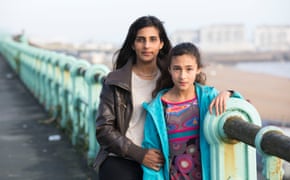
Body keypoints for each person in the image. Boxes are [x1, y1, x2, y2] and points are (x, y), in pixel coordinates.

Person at [94, 15, 238, 179]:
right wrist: (139, 154)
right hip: (124, 156)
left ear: (161, 44)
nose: (147, 45)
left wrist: (228, 93)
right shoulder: (116, 81)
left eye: (152, 39)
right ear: (133, 44)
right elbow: (103, 129)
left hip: (164, 157)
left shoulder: (172, 75)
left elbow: (199, 92)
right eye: (141, 39)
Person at [142, 42, 243, 180]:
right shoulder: (157, 108)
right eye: (177, 69)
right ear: (170, 70)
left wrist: (229, 94)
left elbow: (242, 109)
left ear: (198, 69)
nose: (183, 76)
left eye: (189, 69)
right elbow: (152, 156)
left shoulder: (209, 98)